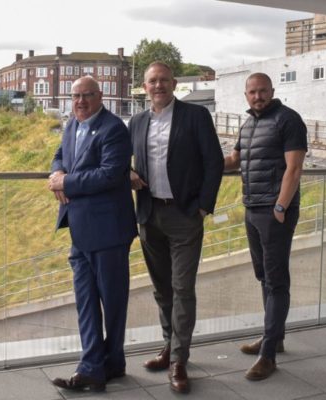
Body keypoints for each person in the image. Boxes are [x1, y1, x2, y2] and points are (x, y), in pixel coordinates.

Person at [129, 61, 224, 393]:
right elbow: (121, 158)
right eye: (152, 81)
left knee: (183, 288)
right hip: (149, 213)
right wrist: (127, 173)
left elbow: (214, 162)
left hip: (184, 215)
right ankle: (169, 344)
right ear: (145, 87)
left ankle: (179, 361)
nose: (159, 86)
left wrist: (203, 205)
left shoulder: (195, 117)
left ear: (174, 84)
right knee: (162, 288)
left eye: (164, 80)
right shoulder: (137, 122)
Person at [48, 76, 137, 392]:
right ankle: (93, 366)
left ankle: (111, 363)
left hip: (109, 230)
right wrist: (57, 171)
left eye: (87, 95)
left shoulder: (114, 129)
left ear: (101, 96)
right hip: (80, 230)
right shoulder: (72, 124)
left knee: (113, 302)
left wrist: (66, 184)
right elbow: (61, 154)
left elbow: (112, 174)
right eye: (76, 96)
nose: (80, 101)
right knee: (85, 302)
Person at [224, 72, 307, 381]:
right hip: (251, 208)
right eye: (252, 92)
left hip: (274, 212)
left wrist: (281, 207)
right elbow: (234, 160)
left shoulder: (288, 120)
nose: (257, 96)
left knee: (276, 281)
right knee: (263, 277)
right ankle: (274, 336)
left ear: (272, 91)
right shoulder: (247, 125)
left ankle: (268, 354)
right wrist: (199, 162)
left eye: (262, 91)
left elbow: (295, 168)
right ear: (246, 95)